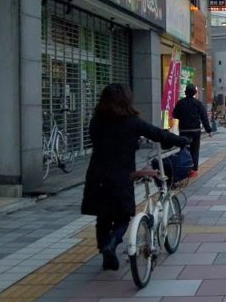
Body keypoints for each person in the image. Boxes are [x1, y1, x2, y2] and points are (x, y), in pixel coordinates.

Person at [81, 83, 189, 271]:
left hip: (96, 175)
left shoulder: (96, 121)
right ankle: (112, 243)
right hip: (121, 175)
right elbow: (158, 134)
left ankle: (105, 252)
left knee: (103, 217)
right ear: (126, 100)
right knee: (123, 216)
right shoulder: (131, 121)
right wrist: (181, 140)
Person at [171, 84, 212, 177]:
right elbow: (204, 117)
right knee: (195, 150)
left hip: (184, 130)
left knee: (184, 149)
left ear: (185, 92)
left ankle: (184, 167)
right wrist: (209, 130)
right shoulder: (198, 103)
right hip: (195, 130)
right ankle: (193, 170)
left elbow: (175, 115)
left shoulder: (180, 103)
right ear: (195, 92)